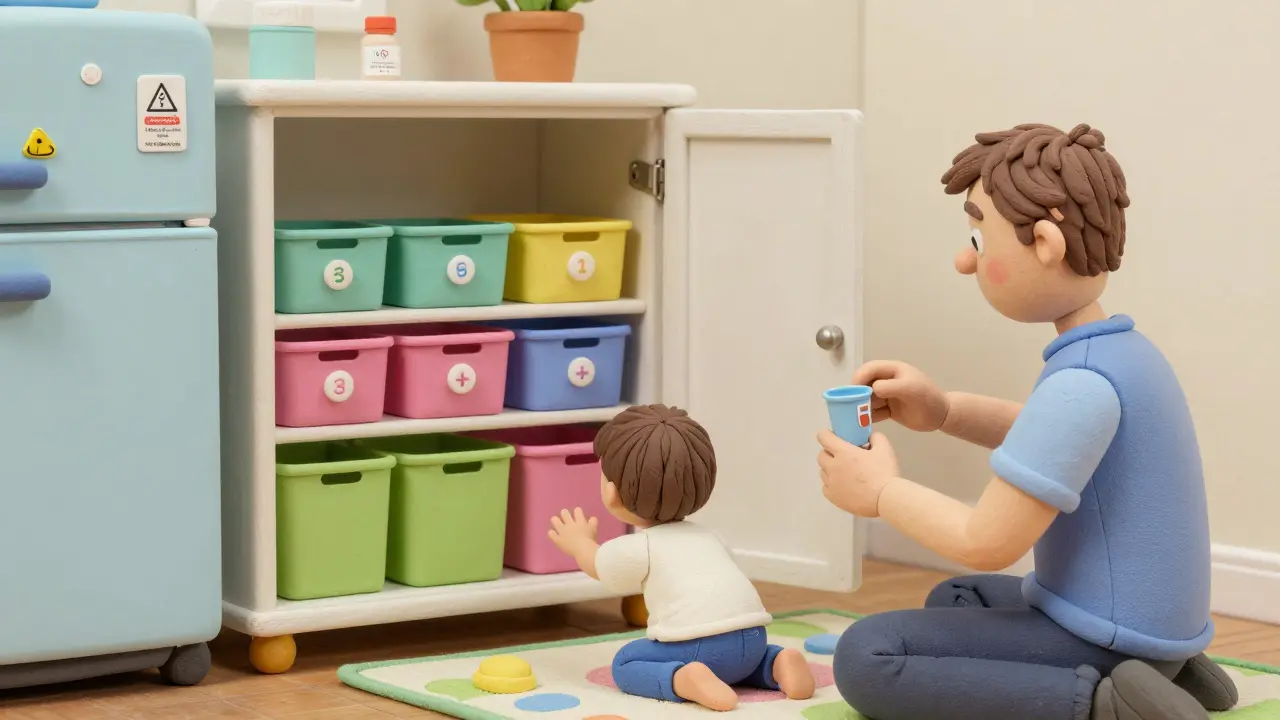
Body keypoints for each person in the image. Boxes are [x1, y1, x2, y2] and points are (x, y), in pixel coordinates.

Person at [815, 123, 1238, 720]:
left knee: (868, 655)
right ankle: (1172, 672)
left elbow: (985, 542)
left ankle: (1108, 703)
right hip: (1142, 621)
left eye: (978, 239)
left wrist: (880, 493)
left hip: (1107, 635)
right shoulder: (1123, 352)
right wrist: (943, 411)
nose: (965, 260)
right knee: (956, 599)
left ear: (1044, 242)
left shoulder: (1080, 384)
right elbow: (1053, 441)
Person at [549, 404, 816, 712]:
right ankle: (776, 662)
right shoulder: (708, 535)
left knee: (626, 663)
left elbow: (600, 566)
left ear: (612, 492)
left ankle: (682, 678)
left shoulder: (643, 545)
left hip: (698, 649)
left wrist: (580, 543)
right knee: (740, 660)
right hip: (754, 638)